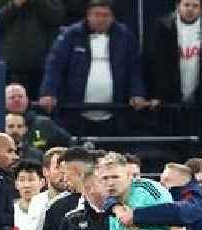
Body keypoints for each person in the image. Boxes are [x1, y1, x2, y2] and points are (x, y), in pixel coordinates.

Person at [39, 0, 147, 136]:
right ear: (88, 16)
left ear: (112, 17)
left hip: (115, 113)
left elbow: (134, 69)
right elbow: (54, 66)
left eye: (105, 15)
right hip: (75, 113)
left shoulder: (125, 36)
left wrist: (137, 93)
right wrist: (48, 92)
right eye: (96, 15)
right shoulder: (70, 35)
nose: (101, 19)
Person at [144, 0, 202, 111]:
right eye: (186, 5)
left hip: (201, 97)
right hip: (169, 98)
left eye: (195, 6)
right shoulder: (163, 27)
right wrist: (157, 95)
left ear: (201, 8)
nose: (190, 9)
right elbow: (156, 65)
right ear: (178, 6)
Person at [0, 0, 66, 100]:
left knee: (41, 111)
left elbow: (57, 16)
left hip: (43, 67)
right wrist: (14, 5)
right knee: (13, 109)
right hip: (13, 66)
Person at [5, 83, 72, 150]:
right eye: (12, 97)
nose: (17, 100)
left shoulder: (44, 124)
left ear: (27, 99)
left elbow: (69, 143)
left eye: (20, 96)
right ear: (3, 101)